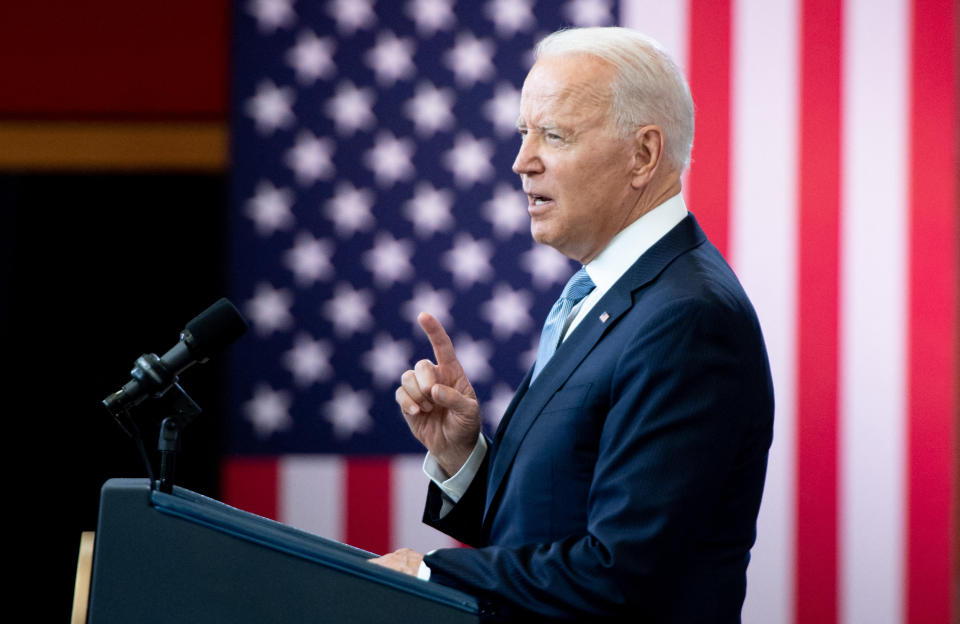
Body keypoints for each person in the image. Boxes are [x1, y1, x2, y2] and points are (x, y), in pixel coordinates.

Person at [371, 26, 774, 623]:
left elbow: (622, 571)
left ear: (643, 155)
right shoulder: (607, 292)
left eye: (553, 136)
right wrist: (465, 461)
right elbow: (550, 527)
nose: (521, 162)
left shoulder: (689, 318)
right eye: (523, 133)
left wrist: (429, 571)